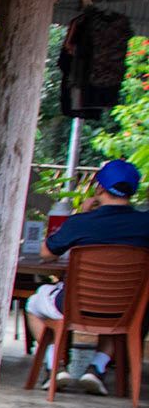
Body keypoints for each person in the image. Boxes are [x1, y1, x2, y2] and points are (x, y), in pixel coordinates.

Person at [29, 159, 149, 395]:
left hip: (76, 306)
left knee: (34, 304)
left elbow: (46, 253)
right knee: (115, 313)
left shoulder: (81, 222)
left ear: (100, 187)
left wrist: (82, 214)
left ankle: (55, 365)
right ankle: (96, 368)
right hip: (127, 308)